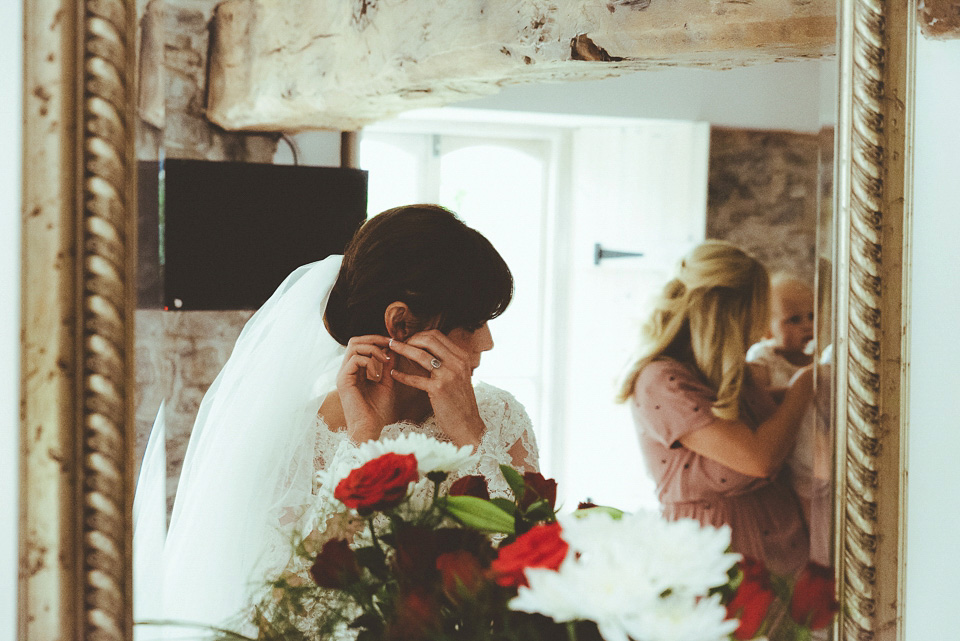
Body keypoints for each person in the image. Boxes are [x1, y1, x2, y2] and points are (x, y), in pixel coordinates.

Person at [134, 204, 539, 638]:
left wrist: (471, 439)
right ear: (400, 323)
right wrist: (364, 445)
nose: (488, 342)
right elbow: (285, 618)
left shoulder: (500, 418)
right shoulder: (295, 438)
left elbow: (536, 579)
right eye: (473, 323)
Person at [617, 240, 813, 576]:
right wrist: (805, 385)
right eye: (754, 317)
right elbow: (758, 457)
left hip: (787, 548)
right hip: (718, 560)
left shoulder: (726, 370)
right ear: (726, 315)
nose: (757, 333)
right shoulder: (660, 380)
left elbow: (764, 416)